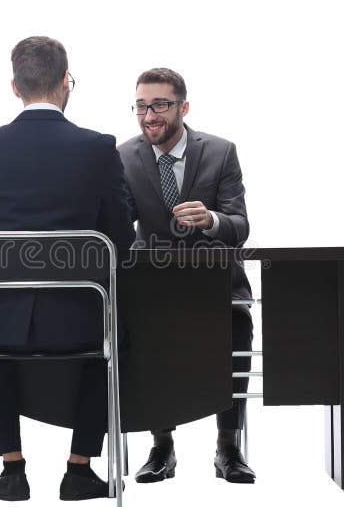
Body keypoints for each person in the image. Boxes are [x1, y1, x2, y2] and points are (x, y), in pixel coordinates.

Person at [0, 36, 135, 501]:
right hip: (82, 319)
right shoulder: (98, 147)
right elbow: (119, 239)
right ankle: (79, 469)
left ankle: (11, 470)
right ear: (65, 82)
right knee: (118, 337)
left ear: (15, 87)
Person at [117, 68, 256, 484]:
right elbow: (122, 228)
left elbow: (240, 224)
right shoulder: (124, 157)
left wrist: (211, 218)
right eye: (141, 106)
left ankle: (228, 447)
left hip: (216, 285)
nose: (149, 115)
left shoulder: (220, 151)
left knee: (238, 329)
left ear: (183, 107)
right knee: (140, 336)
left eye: (160, 104)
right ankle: (162, 447)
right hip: (154, 285)